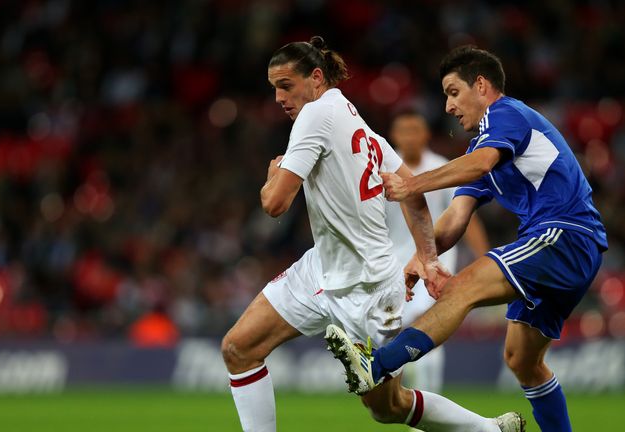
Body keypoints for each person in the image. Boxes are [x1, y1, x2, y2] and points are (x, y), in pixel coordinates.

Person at [221, 37, 523, 432]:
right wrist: (428, 256)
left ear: (315, 78)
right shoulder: (356, 122)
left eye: (286, 85)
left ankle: (488, 430)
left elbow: (275, 205)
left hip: (368, 288)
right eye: (273, 87)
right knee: (239, 348)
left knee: (388, 407)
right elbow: (412, 193)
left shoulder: (314, 116)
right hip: (321, 270)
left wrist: (272, 177)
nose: (278, 97)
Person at [327, 45, 607, 432]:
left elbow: (480, 164)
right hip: (566, 247)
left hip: (565, 234)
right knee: (522, 360)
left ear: (481, 85)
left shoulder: (506, 114)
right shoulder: (481, 146)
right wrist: (422, 258)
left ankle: (376, 365)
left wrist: (410, 186)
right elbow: (455, 218)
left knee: (460, 289)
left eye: (453, 92)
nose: (448, 107)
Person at [384, 110, 490, 403]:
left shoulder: (440, 168)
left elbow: (464, 214)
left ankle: (428, 408)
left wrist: (483, 258)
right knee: (392, 335)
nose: (409, 137)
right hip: (395, 266)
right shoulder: (382, 171)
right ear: (394, 137)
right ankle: (396, 402)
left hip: (435, 264)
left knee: (429, 332)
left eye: (414, 130)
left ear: (425, 135)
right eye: (403, 131)